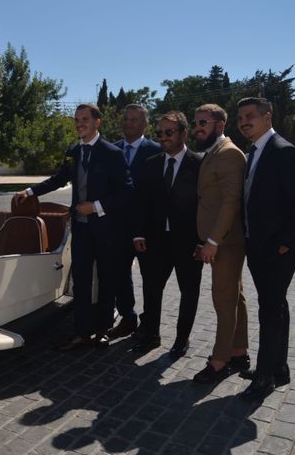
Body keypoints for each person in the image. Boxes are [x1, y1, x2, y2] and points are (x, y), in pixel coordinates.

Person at [14, 103, 134, 349]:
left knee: (106, 280)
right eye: (77, 119)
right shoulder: (73, 151)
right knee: (80, 280)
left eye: (85, 119)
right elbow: (59, 179)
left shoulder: (112, 153)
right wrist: (29, 190)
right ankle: (81, 332)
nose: (80, 123)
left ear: (97, 122)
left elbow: (127, 192)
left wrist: (97, 206)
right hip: (80, 230)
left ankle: (102, 329)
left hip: (105, 230)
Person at [236, 97, 295, 400]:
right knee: (276, 306)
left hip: (276, 250)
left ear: (267, 117)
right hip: (258, 245)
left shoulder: (282, 151)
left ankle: (264, 378)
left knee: (269, 311)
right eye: (240, 118)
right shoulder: (254, 152)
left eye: (250, 116)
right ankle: (279, 367)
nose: (244, 122)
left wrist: (286, 244)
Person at [131, 111, 203, 357]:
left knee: (189, 292)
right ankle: (151, 335)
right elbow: (141, 202)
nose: (163, 137)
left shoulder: (199, 165)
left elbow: (206, 205)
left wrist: (203, 241)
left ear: (183, 133)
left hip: (188, 242)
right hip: (155, 240)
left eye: (169, 132)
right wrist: (138, 233)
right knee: (151, 289)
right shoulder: (151, 163)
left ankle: (181, 340)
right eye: (160, 133)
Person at [192, 103, 249, 384]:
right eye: (196, 122)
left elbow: (230, 202)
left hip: (226, 241)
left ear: (220, 125)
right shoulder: (213, 151)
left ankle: (219, 361)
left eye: (203, 122)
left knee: (223, 299)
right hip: (219, 239)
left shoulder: (228, 154)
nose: (198, 127)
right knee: (234, 296)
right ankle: (239, 351)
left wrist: (213, 240)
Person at [108, 104, 161, 340]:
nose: (128, 123)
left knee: (151, 279)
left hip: (147, 229)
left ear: (145, 124)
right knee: (120, 274)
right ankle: (128, 318)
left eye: (134, 120)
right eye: (126, 119)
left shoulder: (157, 151)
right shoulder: (112, 150)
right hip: (118, 227)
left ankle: (150, 326)